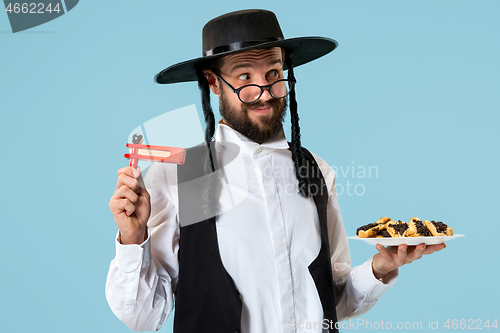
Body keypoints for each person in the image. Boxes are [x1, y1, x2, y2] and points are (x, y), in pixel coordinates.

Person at [106, 9, 446, 333]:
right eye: (244, 77)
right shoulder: (185, 176)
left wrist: (379, 268)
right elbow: (144, 317)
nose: (264, 92)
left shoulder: (316, 171)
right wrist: (133, 239)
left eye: (273, 73)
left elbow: (332, 299)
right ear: (213, 83)